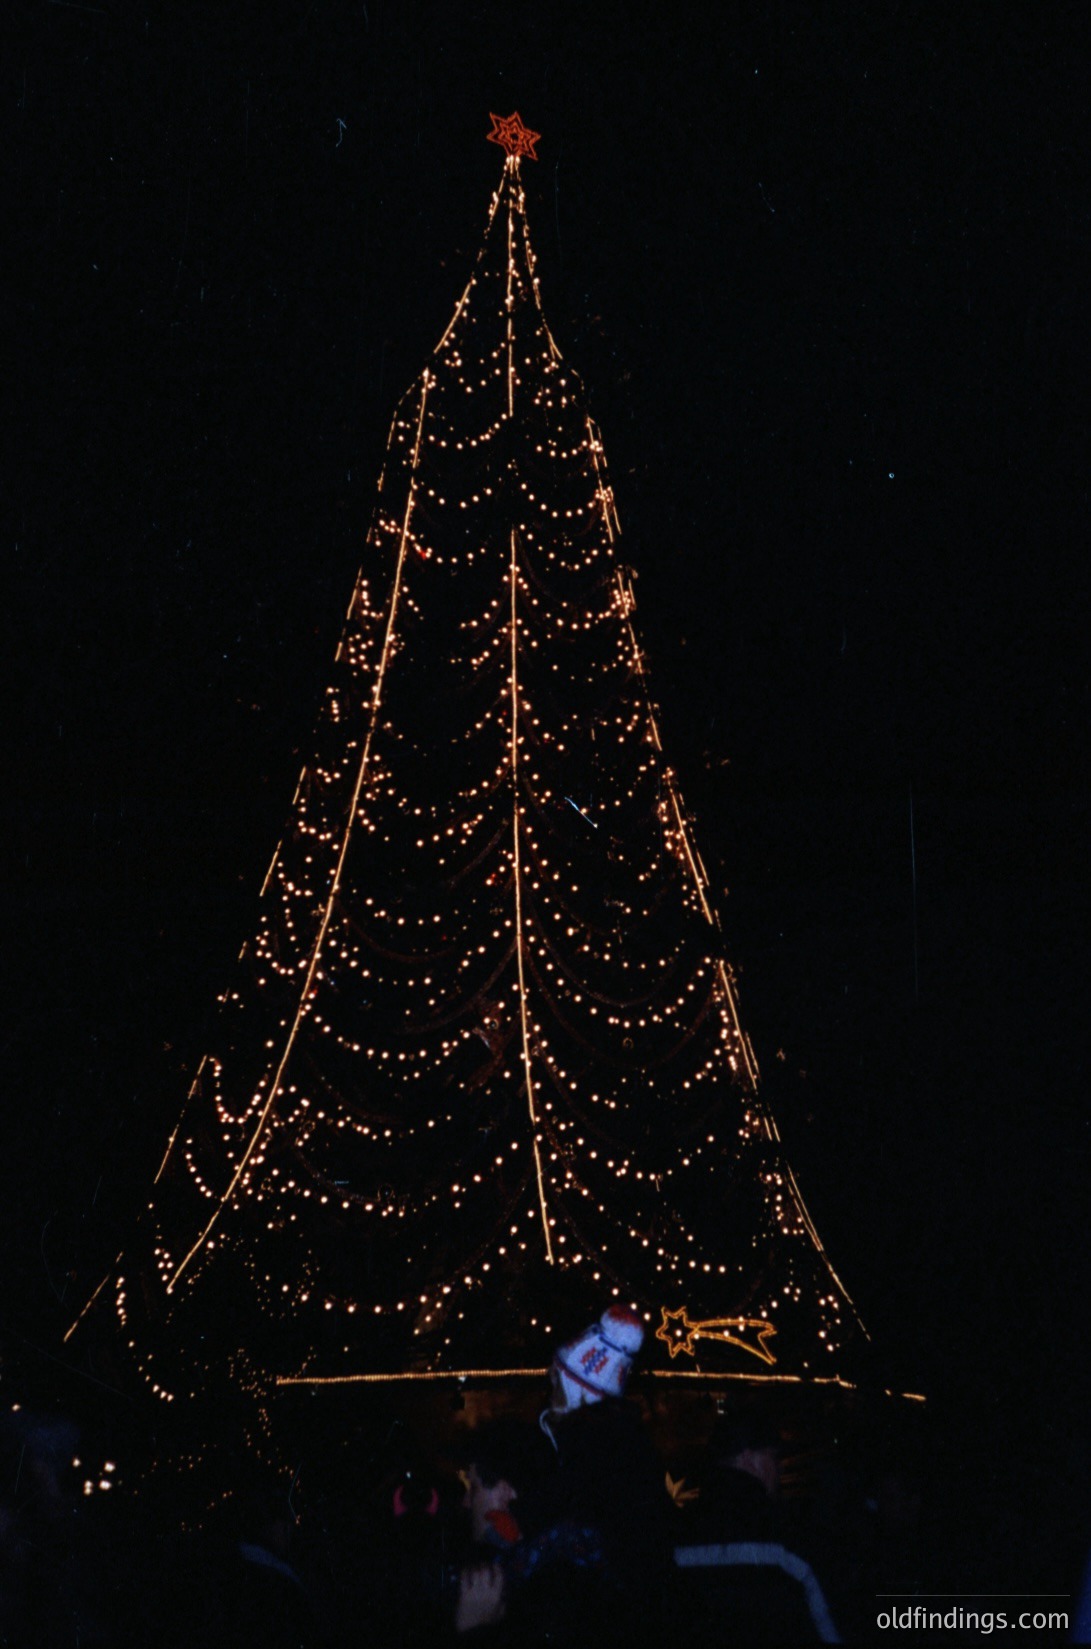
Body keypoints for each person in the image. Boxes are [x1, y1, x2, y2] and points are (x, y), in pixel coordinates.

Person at [454, 1304, 671, 1641]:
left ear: (575, 1390)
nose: (548, 1379)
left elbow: (556, 1511)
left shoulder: (593, 1461)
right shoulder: (612, 1452)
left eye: (556, 1375)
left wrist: (503, 1540)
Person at [672, 1412, 842, 1644]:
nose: (779, 1468)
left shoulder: (678, 1531)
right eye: (773, 1457)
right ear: (748, 1457)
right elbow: (825, 1621)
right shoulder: (783, 1530)